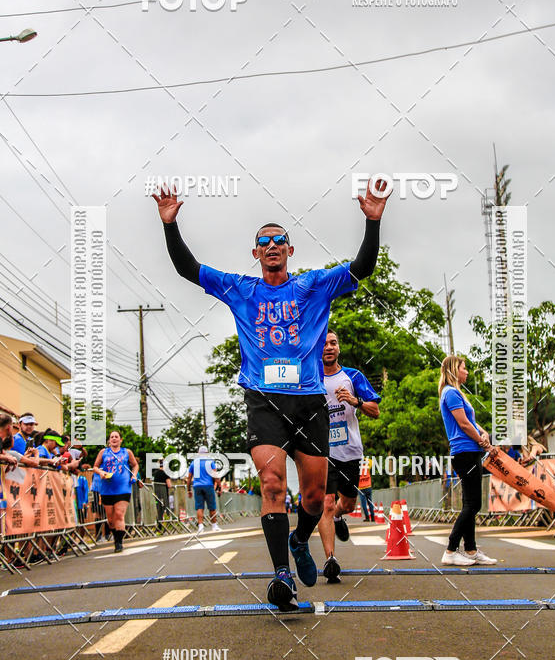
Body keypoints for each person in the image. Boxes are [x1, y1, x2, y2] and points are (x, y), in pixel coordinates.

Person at [154, 178, 388, 610]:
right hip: (263, 399)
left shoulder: (315, 285)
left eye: (280, 240)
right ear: (256, 253)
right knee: (273, 483)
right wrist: (170, 225)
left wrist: (373, 222)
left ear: (290, 250)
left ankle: (301, 541)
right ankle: (281, 575)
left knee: (316, 498)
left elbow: (363, 266)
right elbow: (189, 269)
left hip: (309, 400)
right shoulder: (241, 289)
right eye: (265, 242)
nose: (273, 245)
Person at [318, 330, 381, 582]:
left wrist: (354, 401)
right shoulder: (311, 378)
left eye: (333, 343)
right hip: (323, 452)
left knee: (348, 504)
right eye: (324, 344)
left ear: (339, 348)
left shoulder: (353, 376)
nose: (329, 347)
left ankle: (338, 517)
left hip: (350, 451)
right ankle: (330, 560)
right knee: (327, 503)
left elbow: (375, 411)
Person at [439, 355, 497, 567]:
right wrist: (484, 443)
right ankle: (451, 549)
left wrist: (483, 433)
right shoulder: (450, 392)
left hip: (470, 451)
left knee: (469, 503)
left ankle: (471, 549)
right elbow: (463, 424)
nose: (467, 372)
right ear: (455, 370)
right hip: (464, 452)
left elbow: (471, 421)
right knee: (474, 504)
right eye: (464, 368)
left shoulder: (457, 393)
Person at [92, 429, 138, 553]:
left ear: (120, 440)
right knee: (111, 519)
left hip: (123, 487)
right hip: (107, 488)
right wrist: (101, 472)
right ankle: (115, 535)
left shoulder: (127, 452)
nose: (114, 438)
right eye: (112, 437)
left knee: (119, 514)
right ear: (109, 440)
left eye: (116, 436)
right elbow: (95, 466)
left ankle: (119, 543)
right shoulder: (103, 452)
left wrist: (134, 475)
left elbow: (135, 465)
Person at [187, 445, 221, 533]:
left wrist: (188, 490)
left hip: (197, 486)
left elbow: (189, 477)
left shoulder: (194, 462)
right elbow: (215, 475)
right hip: (208, 485)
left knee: (199, 507)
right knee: (212, 507)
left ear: (198, 453)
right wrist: (219, 487)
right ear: (207, 453)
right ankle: (214, 525)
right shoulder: (210, 462)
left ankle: (201, 526)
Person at [152, 459, 172, 529]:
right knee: (166, 508)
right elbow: (169, 485)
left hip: (157, 495)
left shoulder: (155, 473)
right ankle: (169, 522)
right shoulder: (165, 473)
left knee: (159, 509)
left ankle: (159, 524)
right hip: (164, 495)